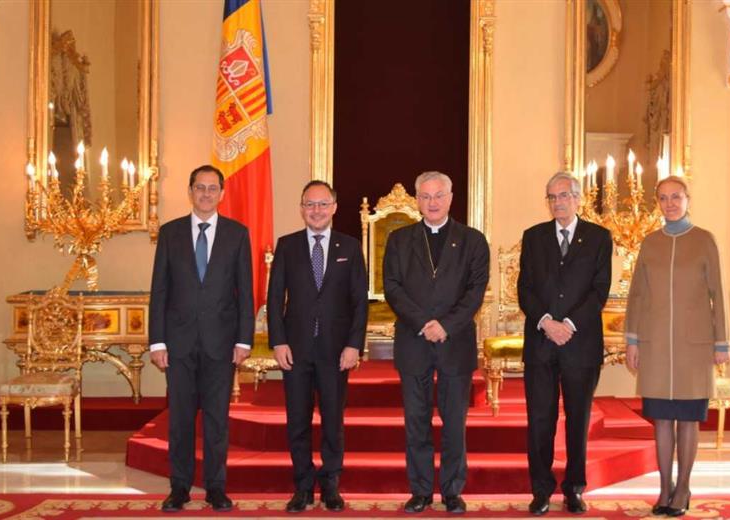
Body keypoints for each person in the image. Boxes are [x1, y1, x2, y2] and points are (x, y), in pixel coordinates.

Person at [148, 164, 254, 513]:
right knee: (179, 420)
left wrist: (244, 340)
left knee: (217, 421)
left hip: (221, 344)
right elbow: (159, 291)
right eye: (200, 187)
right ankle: (178, 487)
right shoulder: (170, 233)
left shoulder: (238, 234)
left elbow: (245, 294)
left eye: (212, 188)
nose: (206, 194)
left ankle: (215, 488)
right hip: (177, 345)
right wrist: (157, 341)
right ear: (190, 191)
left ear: (222, 193)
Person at [382, 171, 490, 514]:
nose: (432, 202)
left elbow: (476, 291)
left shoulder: (473, 240)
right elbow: (392, 288)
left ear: (450, 197)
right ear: (417, 200)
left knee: (455, 422)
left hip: (455, 342)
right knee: (416, 421)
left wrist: (445, 325)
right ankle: (421, 490)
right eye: (425, 196)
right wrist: (423, 324)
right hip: (413, 343)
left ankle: (453, 490)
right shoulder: (399, 240)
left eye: (438, 195)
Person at [624, 175, 730, 517]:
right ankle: (664, 487)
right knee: (661, 420)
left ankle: (683, 486)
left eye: (676, 197)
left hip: (694, 347)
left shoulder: (704, 241)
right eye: (664, 198)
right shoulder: (650, 243)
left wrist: (722, 342)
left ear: (687, 200)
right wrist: (632, 339)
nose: (670, 203)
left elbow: (718, 294)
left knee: (687, 420)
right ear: (658, 203)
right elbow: (637, 295)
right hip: (655, 346)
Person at [267, 180, 368, 513]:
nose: (316, 210)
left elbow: (359, 303)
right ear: (301, 208)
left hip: (335, 352)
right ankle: (302, 487)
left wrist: (354, 345)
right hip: (295, 350)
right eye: (310, 204)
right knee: (297, 421)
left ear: (334, 207)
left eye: (323, 204)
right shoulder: (287, 246)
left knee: (332, 422)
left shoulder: (350, 248)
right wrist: (278, 341)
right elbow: (274, 299)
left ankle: (331, 485)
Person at [517, 171, 612, 516]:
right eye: (552, 197)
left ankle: (574, 489)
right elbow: (524, 289)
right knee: (540, 420)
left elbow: (599, 290)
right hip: (541, 344)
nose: (558, 202)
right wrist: (546, 323)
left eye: (564, 196)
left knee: (577, 420)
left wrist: (568, 324)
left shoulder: (599, 238)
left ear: (578, 198)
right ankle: (541, 489)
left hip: (580, 344)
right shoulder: (534, 237)